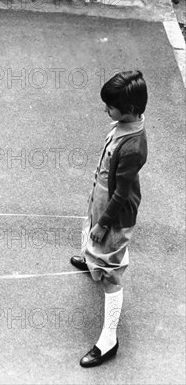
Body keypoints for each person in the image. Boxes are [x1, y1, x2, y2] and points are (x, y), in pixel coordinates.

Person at [70, 70, 148, 367]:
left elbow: (123, 193)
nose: (107, 111)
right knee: (92, 240)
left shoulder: (132, 146)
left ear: (128, 110)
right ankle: (92, 259)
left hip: (114, 215)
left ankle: (109, 340)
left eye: (111, 107)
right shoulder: (125, 124)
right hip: (101, 202)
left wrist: (104, 224)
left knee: (110, 274)